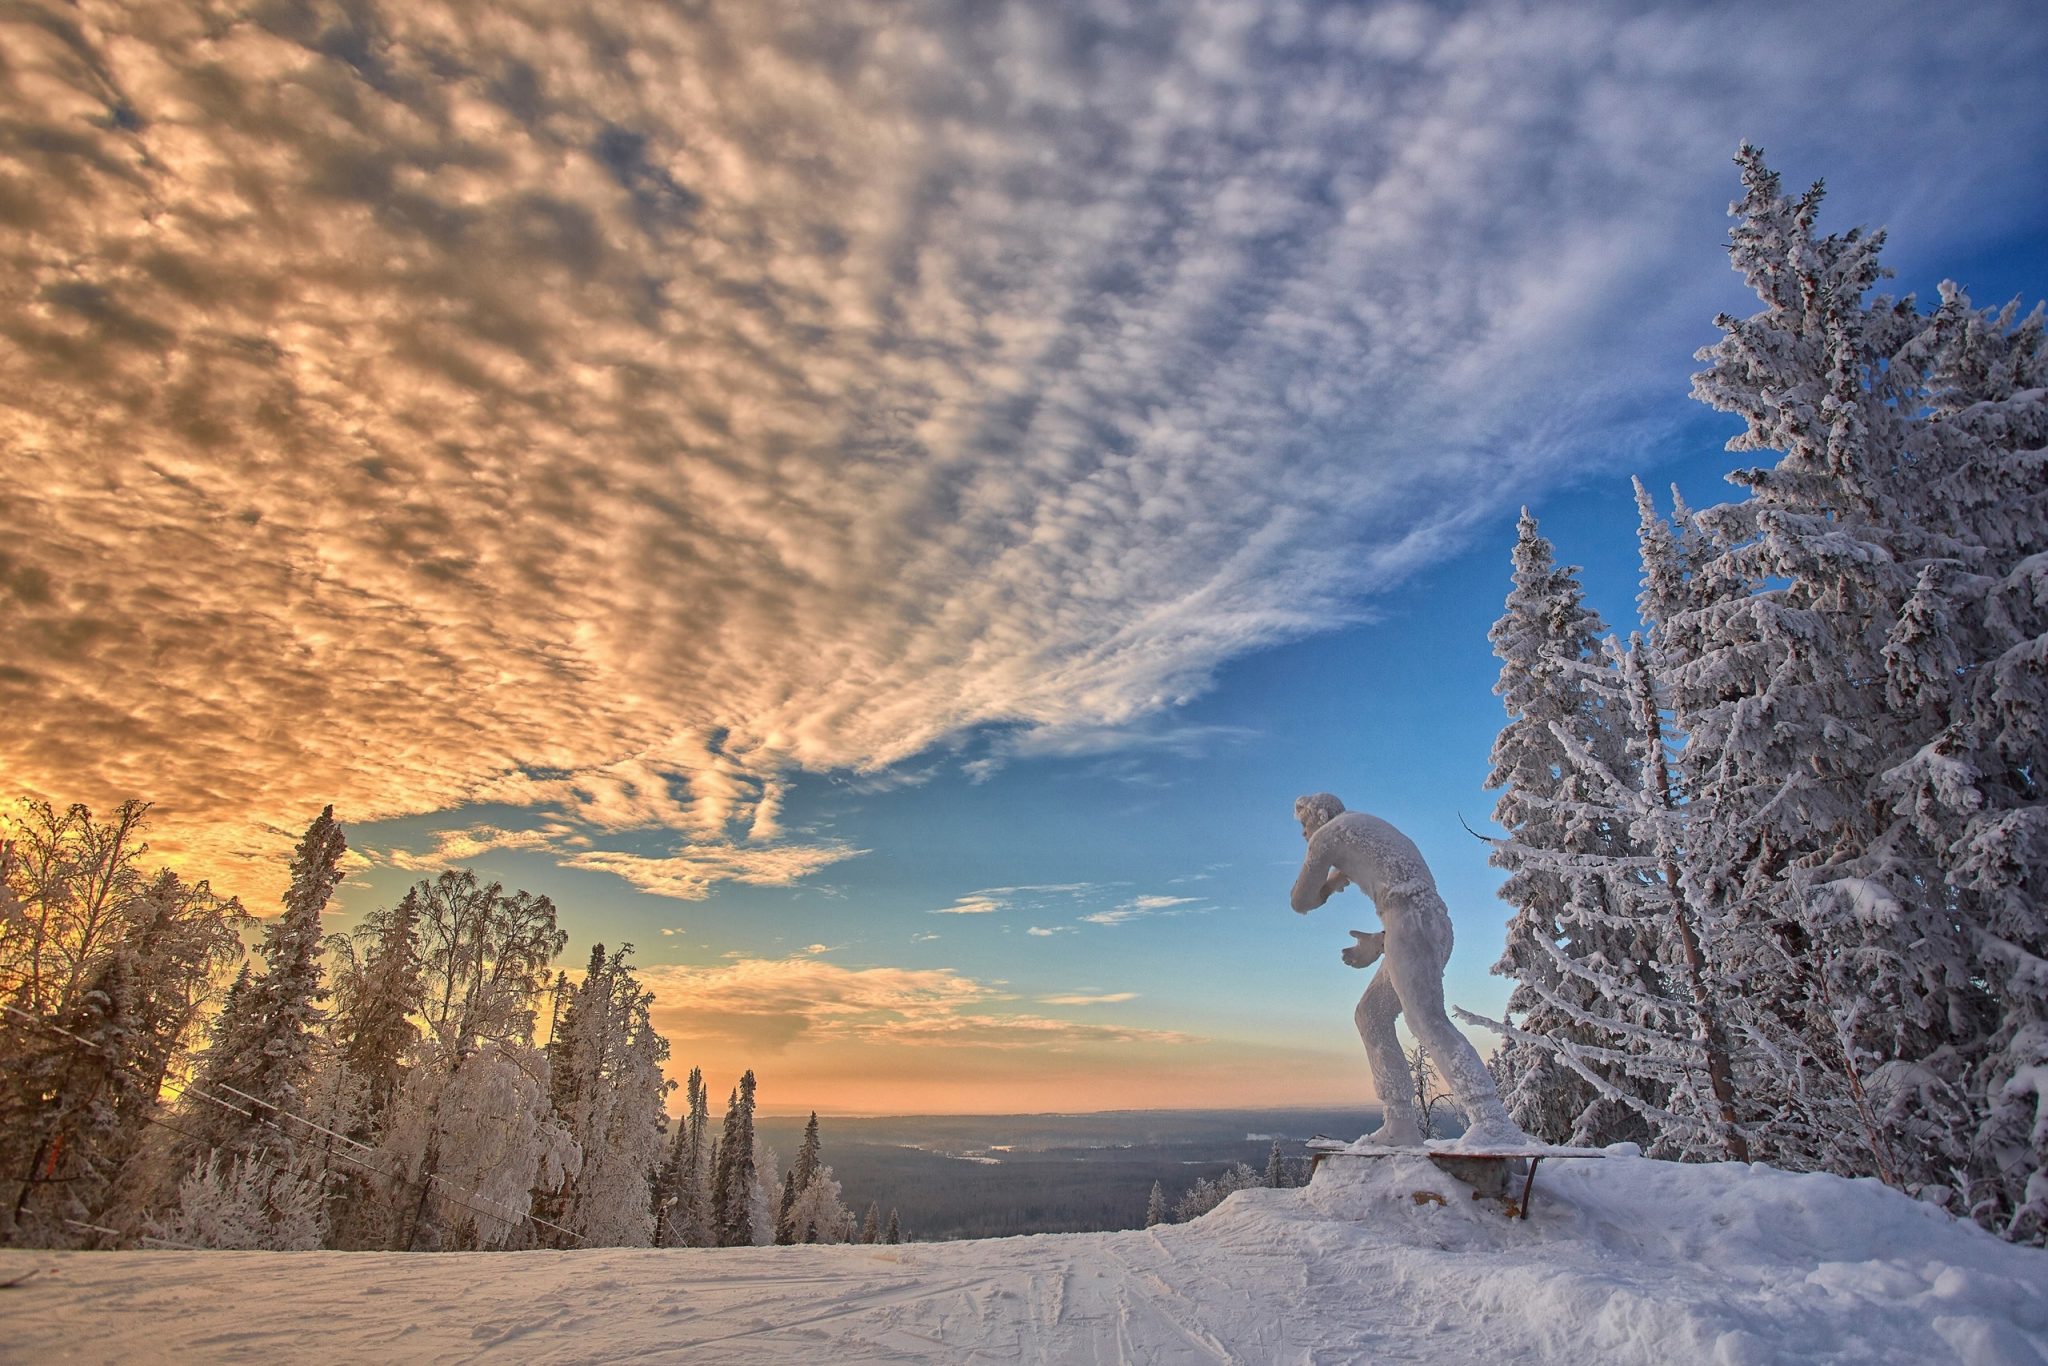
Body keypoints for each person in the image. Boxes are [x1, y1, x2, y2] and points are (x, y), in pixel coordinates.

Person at [1290, 793, 1523, 1148]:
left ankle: (1491, 1119)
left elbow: (1300, 900)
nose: (1305, 836)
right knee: (1371, 1016)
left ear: (1320, 815)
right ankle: (1399, 1123)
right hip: (1424, 924)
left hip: (1412, 923)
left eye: (1304, 826)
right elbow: (1406, 892)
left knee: (1426, 1021)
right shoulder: (1367, 828)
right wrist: (1381, 941)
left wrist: (1331, 882)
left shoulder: (1330, 833)